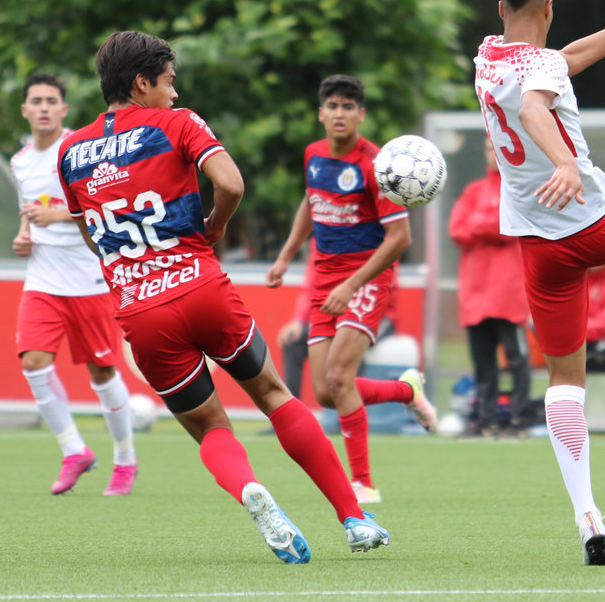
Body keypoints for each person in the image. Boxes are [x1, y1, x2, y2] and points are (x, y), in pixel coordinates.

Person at [57, 31, 389, 563]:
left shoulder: (71, 150)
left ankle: (253, 494)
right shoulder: (179, 122)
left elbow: (92, 236)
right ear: (141, 83)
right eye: (167, 82)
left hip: (141, 312)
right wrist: (214, 226)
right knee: (276, 395)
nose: (174, 91)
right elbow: (231, 184)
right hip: (200, 286)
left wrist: (127, 266)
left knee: (210, 425)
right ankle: (354, 519)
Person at [474, 0, 605, 565]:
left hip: (540, 247)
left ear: (501, 10)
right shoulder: (538, 71)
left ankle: (587, 512)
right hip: (600, 226)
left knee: (563, 386)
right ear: (550, 9)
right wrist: (564, 162)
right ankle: (590, 518)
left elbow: (563, 62)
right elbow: (538, 105)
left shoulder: (487, 56)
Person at [267, 74, 438, 505]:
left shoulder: (378, 166)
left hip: (366, 277)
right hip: (326, 278)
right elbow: (311, 202)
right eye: (333, 106)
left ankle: (362, 482)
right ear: (320, 113)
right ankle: (406, 391)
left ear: (360, 114)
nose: (339, 114)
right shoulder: (313, 155)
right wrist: (287, 255)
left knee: (340, 377)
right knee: (326, 391)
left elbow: (400, 240)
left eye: (348, 107)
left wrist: (350, 284)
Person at [11, 73, 137, 496]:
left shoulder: (78, 150)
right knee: (33, 361)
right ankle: (73, 450)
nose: (44, 107)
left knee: (102, 372)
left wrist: (62, 216)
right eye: (36, 101)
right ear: (25, 110)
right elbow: (29, 212)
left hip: (88, 279)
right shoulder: (20, 161)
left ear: (64, 110)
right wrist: (24, 235)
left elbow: (107, 202)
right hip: (43, 279)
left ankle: (124, 460)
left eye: (51, 101)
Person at [448, 136, 532, 438]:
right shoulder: (472, 191)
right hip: (476, 292)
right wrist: (491, 224)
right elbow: (456, 229)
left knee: (517, 359)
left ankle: (519, 421)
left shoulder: (519, 189)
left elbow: (511, 225)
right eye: (487, 148)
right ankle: (486, 421)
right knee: (483, 362)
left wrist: (479, 225)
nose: (492, 154)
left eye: (497, 147)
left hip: (508, 292)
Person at [277, 239, 400, 398]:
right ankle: (290, 418)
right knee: (293, 341)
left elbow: (385, 288)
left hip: (378, 315)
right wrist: (298, 321)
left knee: (347, 357)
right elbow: (313, 285)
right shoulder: (325, 233)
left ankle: (343, 419)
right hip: (338, 317)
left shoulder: (376, 234)